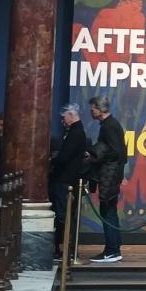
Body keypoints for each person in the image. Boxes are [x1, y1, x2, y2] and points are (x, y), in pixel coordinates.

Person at [87, 95, 126, 263]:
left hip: (110, 175)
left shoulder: (109, 126)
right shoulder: (110, 124)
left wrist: (97, 155)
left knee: (108, 211)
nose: (91, 111)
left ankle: (112, 250)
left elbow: (117, 152)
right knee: (109, 211)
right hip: (112, 175)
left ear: (100, 109)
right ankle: (113, 249)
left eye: (93, 109)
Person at [49, 104, 88, 261]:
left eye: (64, 117)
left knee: (62, 216)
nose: (62, 121)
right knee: (65, 215)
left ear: (71, 115)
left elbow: (65, 157)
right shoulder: (77, 131)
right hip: (68, 180)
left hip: (65, 180)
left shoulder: (75, 133)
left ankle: (64, 250)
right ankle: (66, 249)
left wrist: (53, 160)